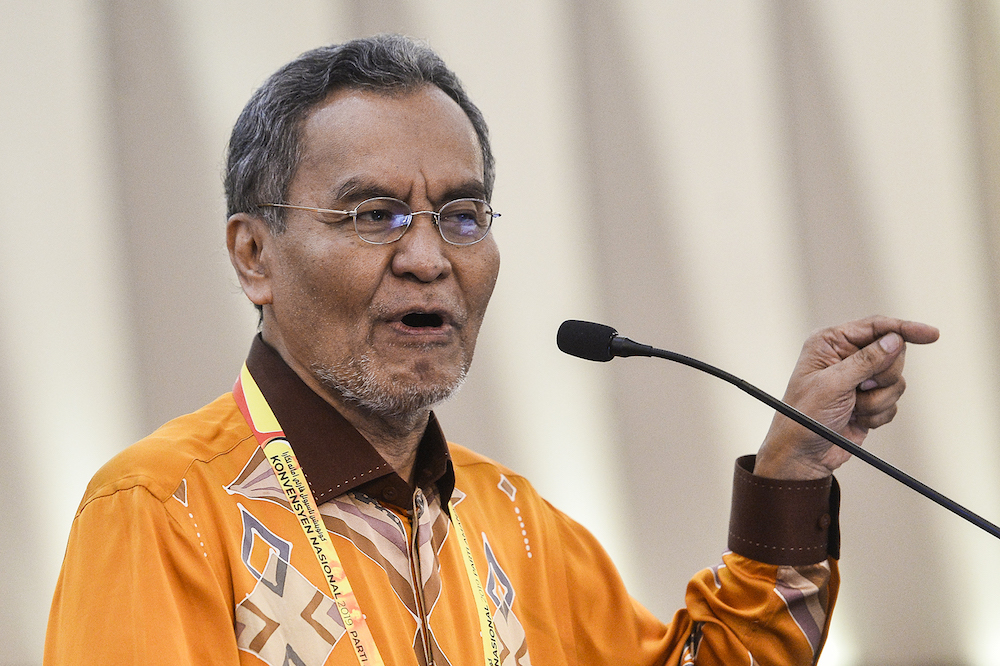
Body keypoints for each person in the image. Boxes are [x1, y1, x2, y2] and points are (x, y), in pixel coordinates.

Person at [44, 35, 939, 666]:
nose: (429, 258)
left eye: (462, 216)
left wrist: (793, 477)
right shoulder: (163, 510)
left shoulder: (513, 522)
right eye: (372, 215)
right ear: (254, 255)